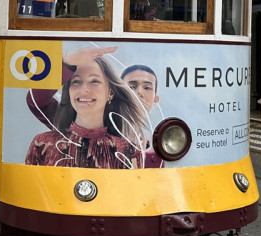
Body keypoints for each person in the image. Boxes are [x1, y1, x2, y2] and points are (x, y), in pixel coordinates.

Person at [27, 47, 165, 167]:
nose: (84, 89)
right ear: (68, 90)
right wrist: (66, 63)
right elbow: (36, 100)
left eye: (94, 81)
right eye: (76, 82)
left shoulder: (128, 150)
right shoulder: (43, 142)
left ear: (110, 92)